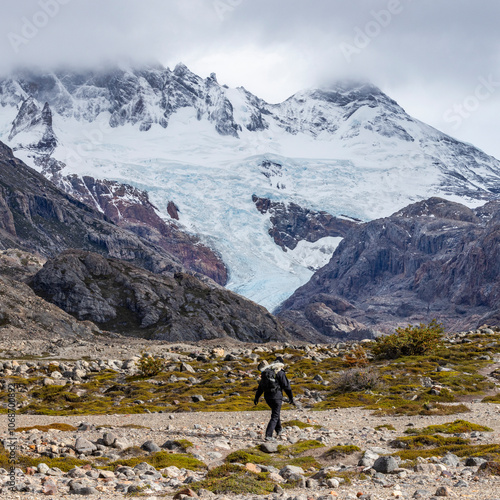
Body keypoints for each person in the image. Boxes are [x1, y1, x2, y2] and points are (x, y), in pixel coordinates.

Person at [254, 356, 294, 441]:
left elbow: (260, 387)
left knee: (276, 413)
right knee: (275, 416)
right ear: (281, 364)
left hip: (267, 397)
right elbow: (287, 387)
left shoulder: (267, 371)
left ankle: (279, 430)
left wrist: (256, 397)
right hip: (276, 396)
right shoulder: (280, 372)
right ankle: (268, 435)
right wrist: (291, 398)